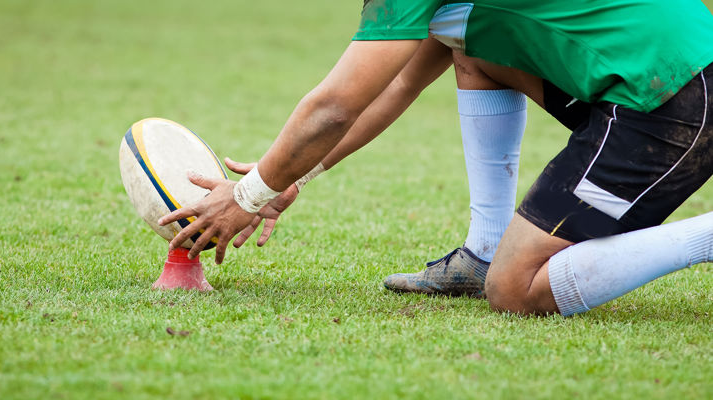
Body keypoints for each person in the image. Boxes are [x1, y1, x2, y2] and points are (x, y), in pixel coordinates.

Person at [158, 1, 713, 316]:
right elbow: (397, 84)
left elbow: (334, 106)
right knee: (472, 50)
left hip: (671, 100)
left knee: (516, 290)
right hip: (656, 75)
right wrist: (292, 175)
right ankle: (483, 250)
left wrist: (249, 193)